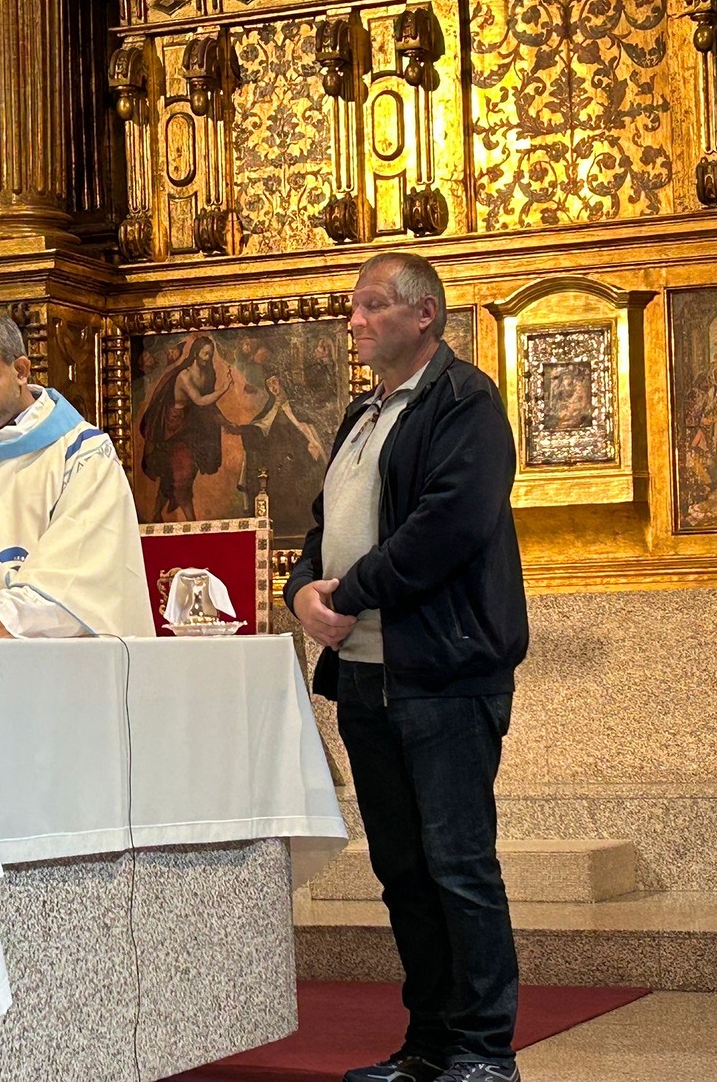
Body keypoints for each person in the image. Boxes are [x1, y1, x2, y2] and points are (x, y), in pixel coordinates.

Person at [283, 253, 529, 1082]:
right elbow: (322, 528)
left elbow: (447, 525)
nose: (354, 320)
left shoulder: (465, 402)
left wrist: (349, 592)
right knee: (404, 872)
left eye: (372, 305)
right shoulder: (362, 414)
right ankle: (427, 1045)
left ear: (425, 314)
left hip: (443, 673)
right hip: (365, 675)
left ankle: (485, 1050)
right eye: (352, 307)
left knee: (459, 866)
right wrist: (300, 592)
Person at [0, 311, 154, 639]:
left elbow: (83, 567)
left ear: (21, 370)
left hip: (59, 657)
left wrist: (5, 615)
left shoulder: (83, 454)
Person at [139, 334, 233, 520]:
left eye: (211, 354)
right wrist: (224, 389)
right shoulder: (184, 376)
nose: (208, 358)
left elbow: (209, 405)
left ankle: (156, 514)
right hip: (175, 428)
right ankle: (192, 523)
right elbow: (199, 400)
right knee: (182, 476)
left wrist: (224, 421)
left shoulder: (209, 374)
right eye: (205, 353)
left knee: (175, 473)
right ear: (196, 353)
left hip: (193, 427)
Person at [235, 370, 327, 530]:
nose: (273, 387)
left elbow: (306, 427)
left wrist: (311, 443)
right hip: (277, 460)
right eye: (269, 385)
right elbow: (260, 426)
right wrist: (245, 430)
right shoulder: (270, 409)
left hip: (298, 456)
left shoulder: (297, 407)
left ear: (282, 382)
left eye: (275, 382)